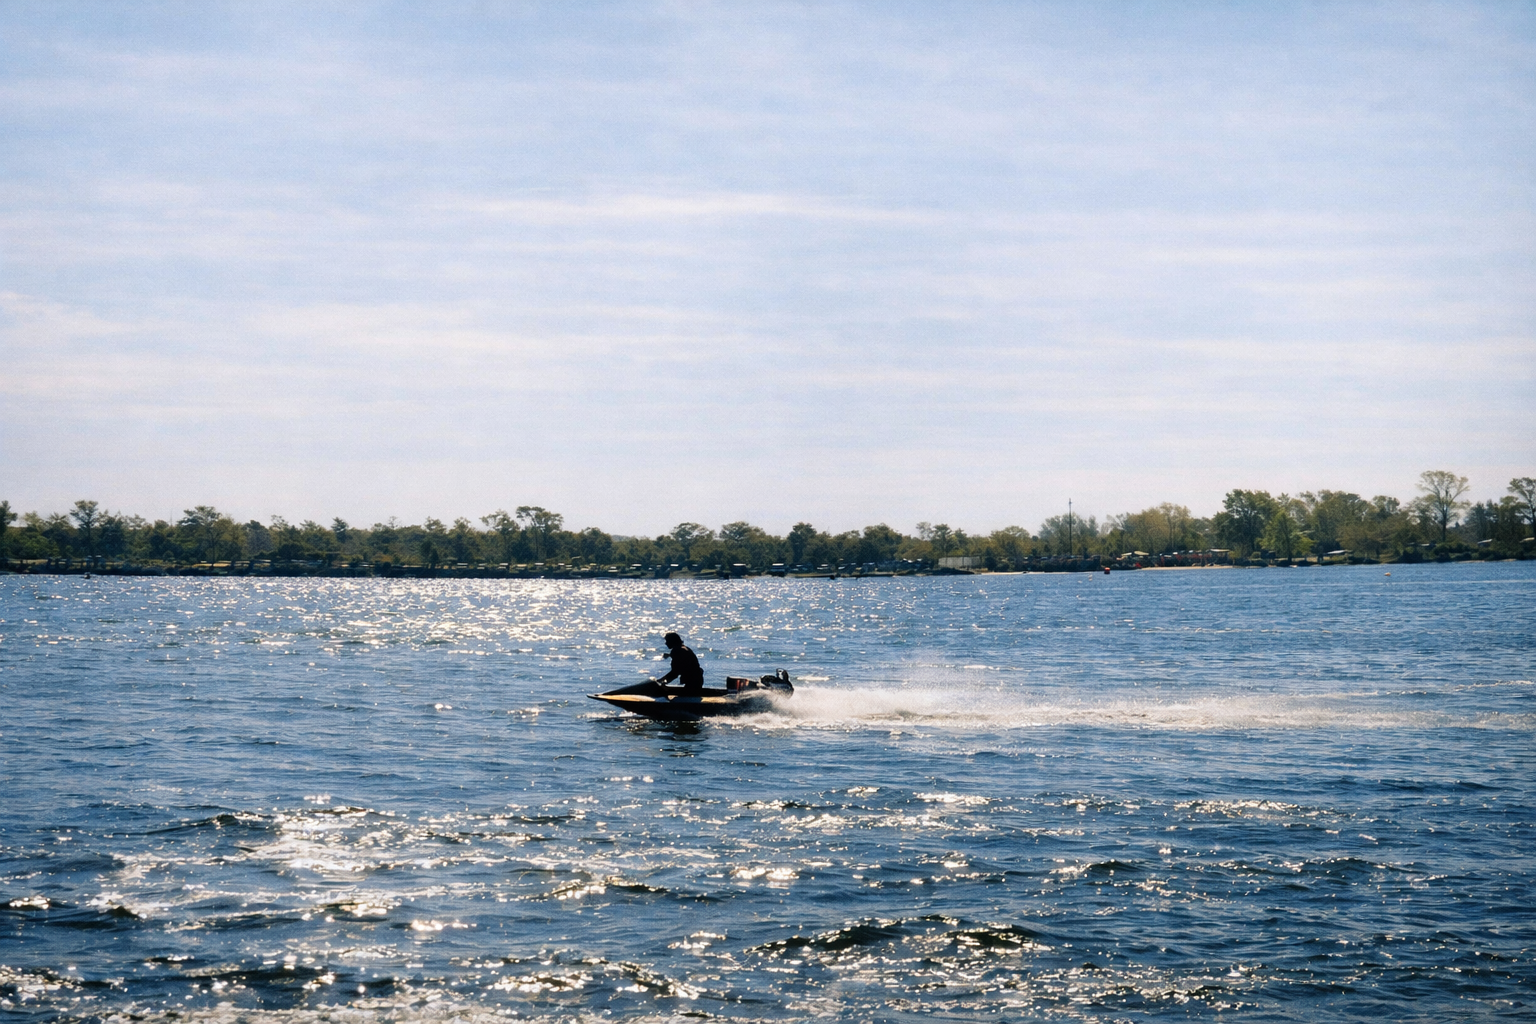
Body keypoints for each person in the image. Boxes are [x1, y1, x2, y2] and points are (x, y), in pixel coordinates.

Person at [655, 631, 704, 697]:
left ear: (672, 641)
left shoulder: (676, 651)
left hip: (693, 683)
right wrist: (670, 655)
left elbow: (675, 673)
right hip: (698, 681)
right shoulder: (685, 648)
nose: (666, 643)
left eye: (667, 641)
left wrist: (662, 681)